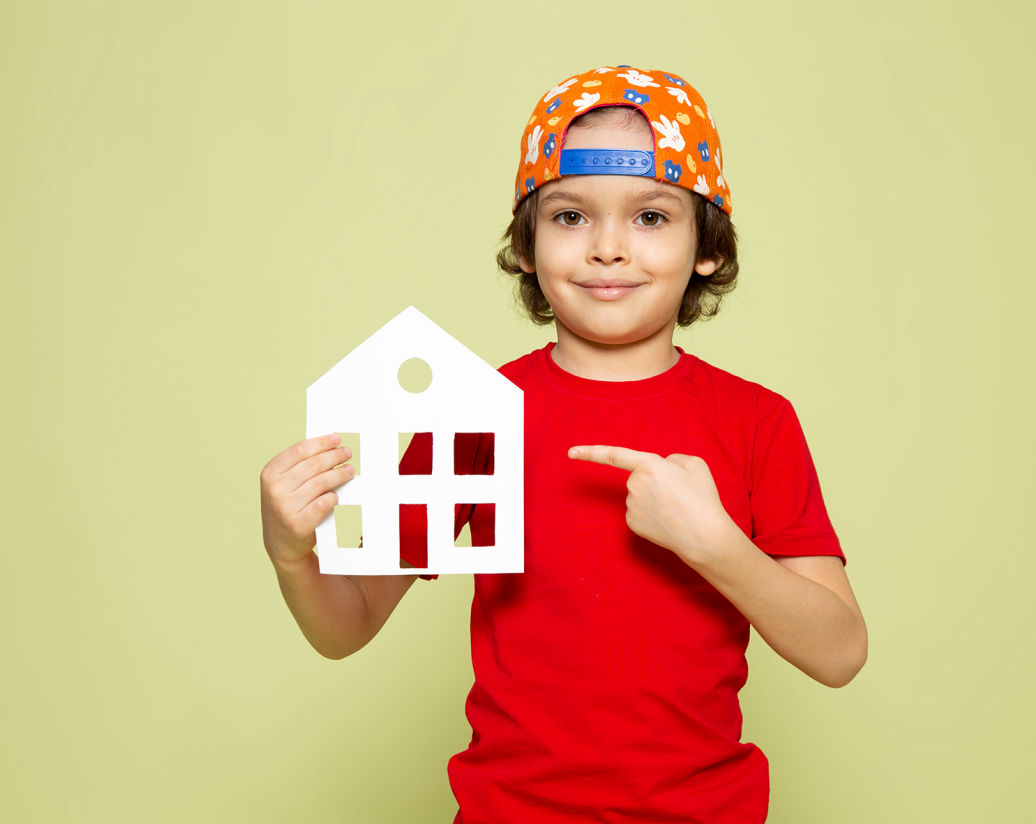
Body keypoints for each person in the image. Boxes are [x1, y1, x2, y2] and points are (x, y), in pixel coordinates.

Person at [259, 65, 867, 823]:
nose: (608, 249)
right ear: (526, 245)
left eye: (650, 217)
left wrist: (715, 545)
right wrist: (293, 554)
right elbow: (346, 625)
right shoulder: (469, 414)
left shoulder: (756, 421)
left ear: (706, 247)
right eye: (571, 217)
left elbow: (840, 653)